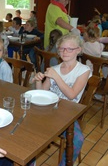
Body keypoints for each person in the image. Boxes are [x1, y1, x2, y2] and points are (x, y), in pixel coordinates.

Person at [32, 34, 91, 166]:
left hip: (67, 114)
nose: (65, 52)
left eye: (70, 49)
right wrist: (37, 81)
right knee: (29, 131)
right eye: (62, 48)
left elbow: (72, 95)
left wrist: (56, 77)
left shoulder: (83, 70)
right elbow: (41, 93)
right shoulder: (55, 69)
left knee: (78, 139)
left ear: (78, 50)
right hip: (47, 111)